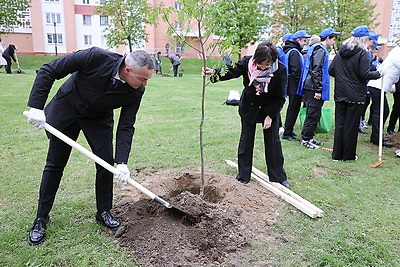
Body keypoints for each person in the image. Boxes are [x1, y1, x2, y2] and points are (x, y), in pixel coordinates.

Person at [24, 47, 154, 245]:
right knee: (55, 164)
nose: (144, 84)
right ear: (128, 70)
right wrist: (36, 106)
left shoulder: (137, 91)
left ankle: (103, 211)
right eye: (142, 79)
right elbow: (49, 69)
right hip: (67, 109)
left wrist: (122, 162)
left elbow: (126, 126)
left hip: (98, 119)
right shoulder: (95, 57)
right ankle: (41, 218)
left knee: (106, 164)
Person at [202, 40, 290, 188]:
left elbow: (280, 96)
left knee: (273, 142)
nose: (263, 67)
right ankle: (243, 175)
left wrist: (270, 116)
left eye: (267, 64)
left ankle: (278, 176)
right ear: (256, 58)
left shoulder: (280, 70)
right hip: (249, 106)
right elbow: (232, 71)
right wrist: (214, 73)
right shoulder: (247, 62)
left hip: (270, 107)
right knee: (246, 140)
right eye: (261, 63)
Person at [328, 25, 382, 161]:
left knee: (340, 125)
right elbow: (364, 73)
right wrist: (379, 73)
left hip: (340, 93)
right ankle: (348, 156)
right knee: (351, 126)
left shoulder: (341, 52)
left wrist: (343, 78)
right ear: (364, 38)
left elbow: (331, 70)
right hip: (356, 94)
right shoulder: (363, 53)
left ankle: (337, 155)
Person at [297, 28, 339, 149]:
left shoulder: (318, 49)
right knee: (313, 113)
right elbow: (316, 70)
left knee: (315, 113)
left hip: (312, 85)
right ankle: (305, 139)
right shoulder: (320, 50)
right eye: (333, 39)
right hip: (313, 87)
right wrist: (318, 89)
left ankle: (309, 137)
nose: (334, 42)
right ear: (327, 38)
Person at [282, 30, 311, 142]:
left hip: (292, 84)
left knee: (293, 108)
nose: (305, 43)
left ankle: (289, 130)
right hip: (295, 86)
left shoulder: (291, 50)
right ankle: (287, 133)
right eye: (304, 40)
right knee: (293, 108)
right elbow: (296, 71)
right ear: (297, 40)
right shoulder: (294, 52)